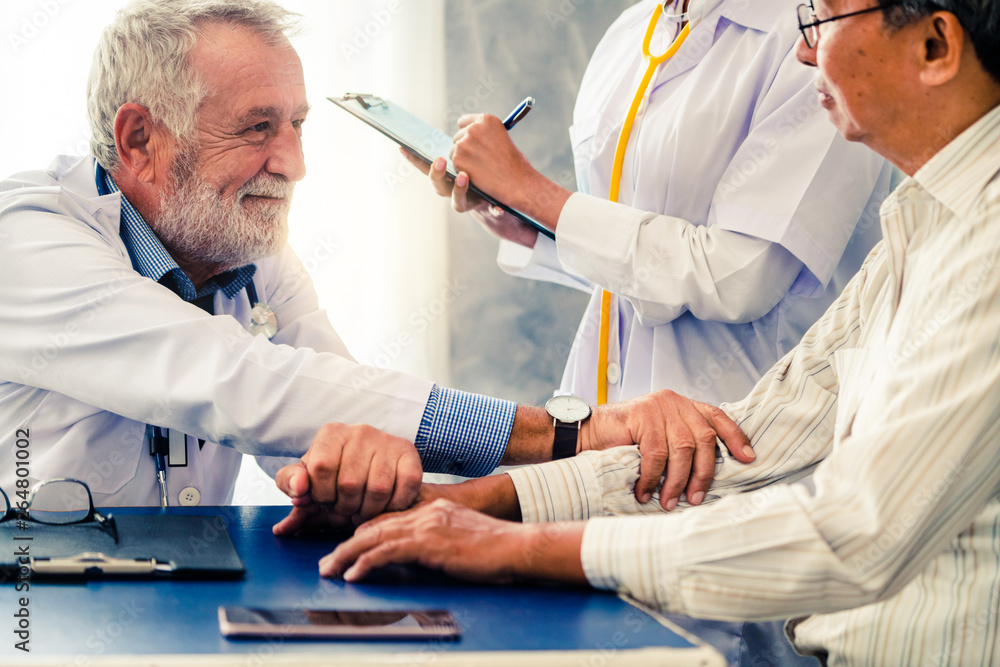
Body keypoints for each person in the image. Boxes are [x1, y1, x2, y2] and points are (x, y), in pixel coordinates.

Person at [326, 0, 1000, 663]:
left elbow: (856, 530)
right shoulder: (923, 220)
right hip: (652, 467)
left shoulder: (984, 244)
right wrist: (499, 497)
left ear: (935, 46)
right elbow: (759, 431)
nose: (803, 49)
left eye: (819, 22)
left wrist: (516, 543)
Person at [0, 0, 752, 519]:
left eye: (296, 125)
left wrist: (344, 471)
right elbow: (240, 381)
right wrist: (573, 432)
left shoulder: (251, 254)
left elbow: (335, 405)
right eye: (258, 128)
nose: (293, 165)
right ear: (138, 140)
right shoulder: (26, 236)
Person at [409, 0, 891, 511]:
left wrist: (535, 194)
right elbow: (632, 267)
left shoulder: (817, 43)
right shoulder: (630, 32)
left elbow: (736, 279)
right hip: (603, 445)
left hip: (735, 460)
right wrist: (526, 221)